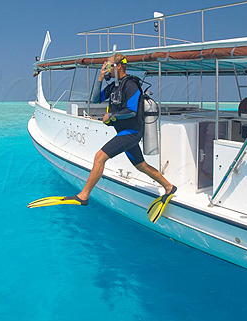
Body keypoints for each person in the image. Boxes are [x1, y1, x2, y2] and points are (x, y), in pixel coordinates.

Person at [28, 54, 176, 222]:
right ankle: (169, 187)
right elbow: (94, 99)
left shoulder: (131, 85)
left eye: (109, 66)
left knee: (99, 157)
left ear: (119, 66)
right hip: (123, 132)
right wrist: (99, 79)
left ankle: (83, 196)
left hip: (132, 133)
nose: (107, 69)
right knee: (141, 166)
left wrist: (111, 115)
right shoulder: (114, 87)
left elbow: (132, 111)